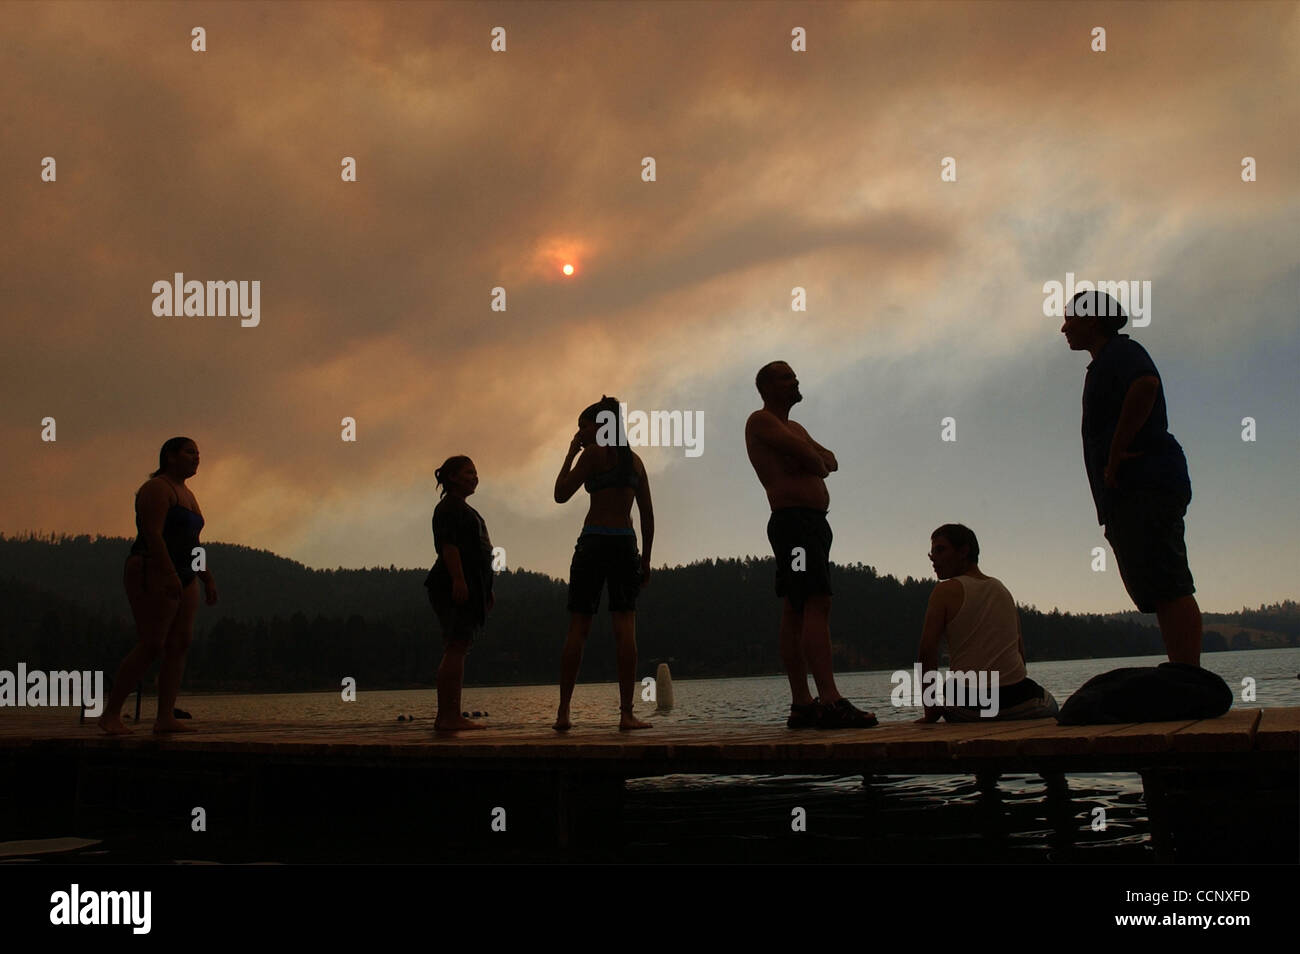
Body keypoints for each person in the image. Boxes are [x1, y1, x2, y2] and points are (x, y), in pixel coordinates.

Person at [1062, 290, 1201, 664]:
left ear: (1092, 318)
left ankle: (1189, 676)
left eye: (1070, 319)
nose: (1064, 328)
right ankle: (1184, 672)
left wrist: (1117, 449)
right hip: (1129, 494)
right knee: (1158, 586)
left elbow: (1145, 385)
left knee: (1168, 583)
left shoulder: (1122, 353)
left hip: (1146, 485)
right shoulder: (1105, 363)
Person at [745, 362, 877, 729]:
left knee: (796, 606)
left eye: (794, 375)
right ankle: (828, 698)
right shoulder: (760, 421)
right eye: (787, 377)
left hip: (813, 524)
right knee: (816, 601)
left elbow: (830, 460)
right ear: (768, 386)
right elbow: (815, 462)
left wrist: (811, 456)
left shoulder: (795, 427)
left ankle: (803, 704)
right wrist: (810, 457)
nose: (796, 380)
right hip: (794, 524)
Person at [99, 437, 217, 734]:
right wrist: (167, 573)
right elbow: (152, 534)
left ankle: (165, 717)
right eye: (190, 452)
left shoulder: (188, 494)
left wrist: (206, 576)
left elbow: (193, 543)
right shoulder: (157, 488)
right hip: (152, 566)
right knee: (153, 643)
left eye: (198, 453)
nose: (196, 458)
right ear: (170, 456)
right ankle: (110, 714)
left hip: (186, 572)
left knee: (180, 643)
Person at [552, 396, 654, 731]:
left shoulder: (592, 454)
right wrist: (646, 558)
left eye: (584, 424)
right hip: (625, 542)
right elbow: (647, 516)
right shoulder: (635, 461)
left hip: (594, 540)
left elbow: (560, 494)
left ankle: (564, 713)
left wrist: (570, 453)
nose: (581, 430)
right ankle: (626, 713)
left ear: (600, 424)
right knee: (625, 627)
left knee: (578, 628)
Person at [915, 524, 1058, 722]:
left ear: (964, 551)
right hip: (1020, 702)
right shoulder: (1002, 590)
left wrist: (930, 710)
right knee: (1050, 702)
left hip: (970, 706)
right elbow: (1019, 652)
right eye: (932, 553)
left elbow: (926, 651)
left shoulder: (944, 591)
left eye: (940, 550)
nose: (934, 559)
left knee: (950, 688)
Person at [423, 456, 495, 731]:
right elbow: (449, 548)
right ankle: (448, 716)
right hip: (451, 584)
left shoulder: (465, 509)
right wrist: (458, 581)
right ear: (452, 477)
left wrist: (487, 589)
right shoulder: (449, 509)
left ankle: (449, 715)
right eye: (468, 472)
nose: (474, 477)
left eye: (476, 472)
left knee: (459, 646)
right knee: (456, 646)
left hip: (472, 584)